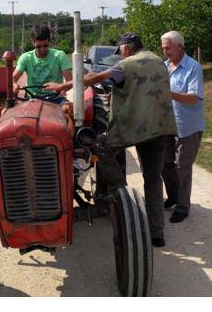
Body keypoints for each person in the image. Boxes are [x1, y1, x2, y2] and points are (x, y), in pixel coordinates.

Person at [52, 32, 176, 247]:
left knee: (98, 146)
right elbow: (143, 90)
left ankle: (122, 193)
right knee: (153, 180)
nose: (120, 55)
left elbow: (93, 79)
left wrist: (63, 86)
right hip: (160, 129)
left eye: (120, 51)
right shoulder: (159, 62)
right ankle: (157, 233)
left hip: (135, 128)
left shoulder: (126, 64)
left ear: (126, 48)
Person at [160, 30, 204, 223]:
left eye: (168, 48)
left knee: (182, 168)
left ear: (180, 46)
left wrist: (168, 93)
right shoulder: (164, 66)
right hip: (167, 125)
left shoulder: (193, 67)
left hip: (188, 126)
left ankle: (183, 207)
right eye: (163, 48)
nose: (165, 52)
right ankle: (173, 197)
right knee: (164, 164)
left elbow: (194, 97)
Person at [13, 24, 71, 92]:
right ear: (32, 42)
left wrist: (62, 89)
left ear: (49, 41)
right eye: (38, 47)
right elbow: (12, 79)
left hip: (56, 97)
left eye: (45, 45)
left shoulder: (60, 56)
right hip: (33, 98)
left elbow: (70, 81)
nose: (42, 49)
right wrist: (14, 85)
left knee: (68, 103)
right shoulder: (26, 58)